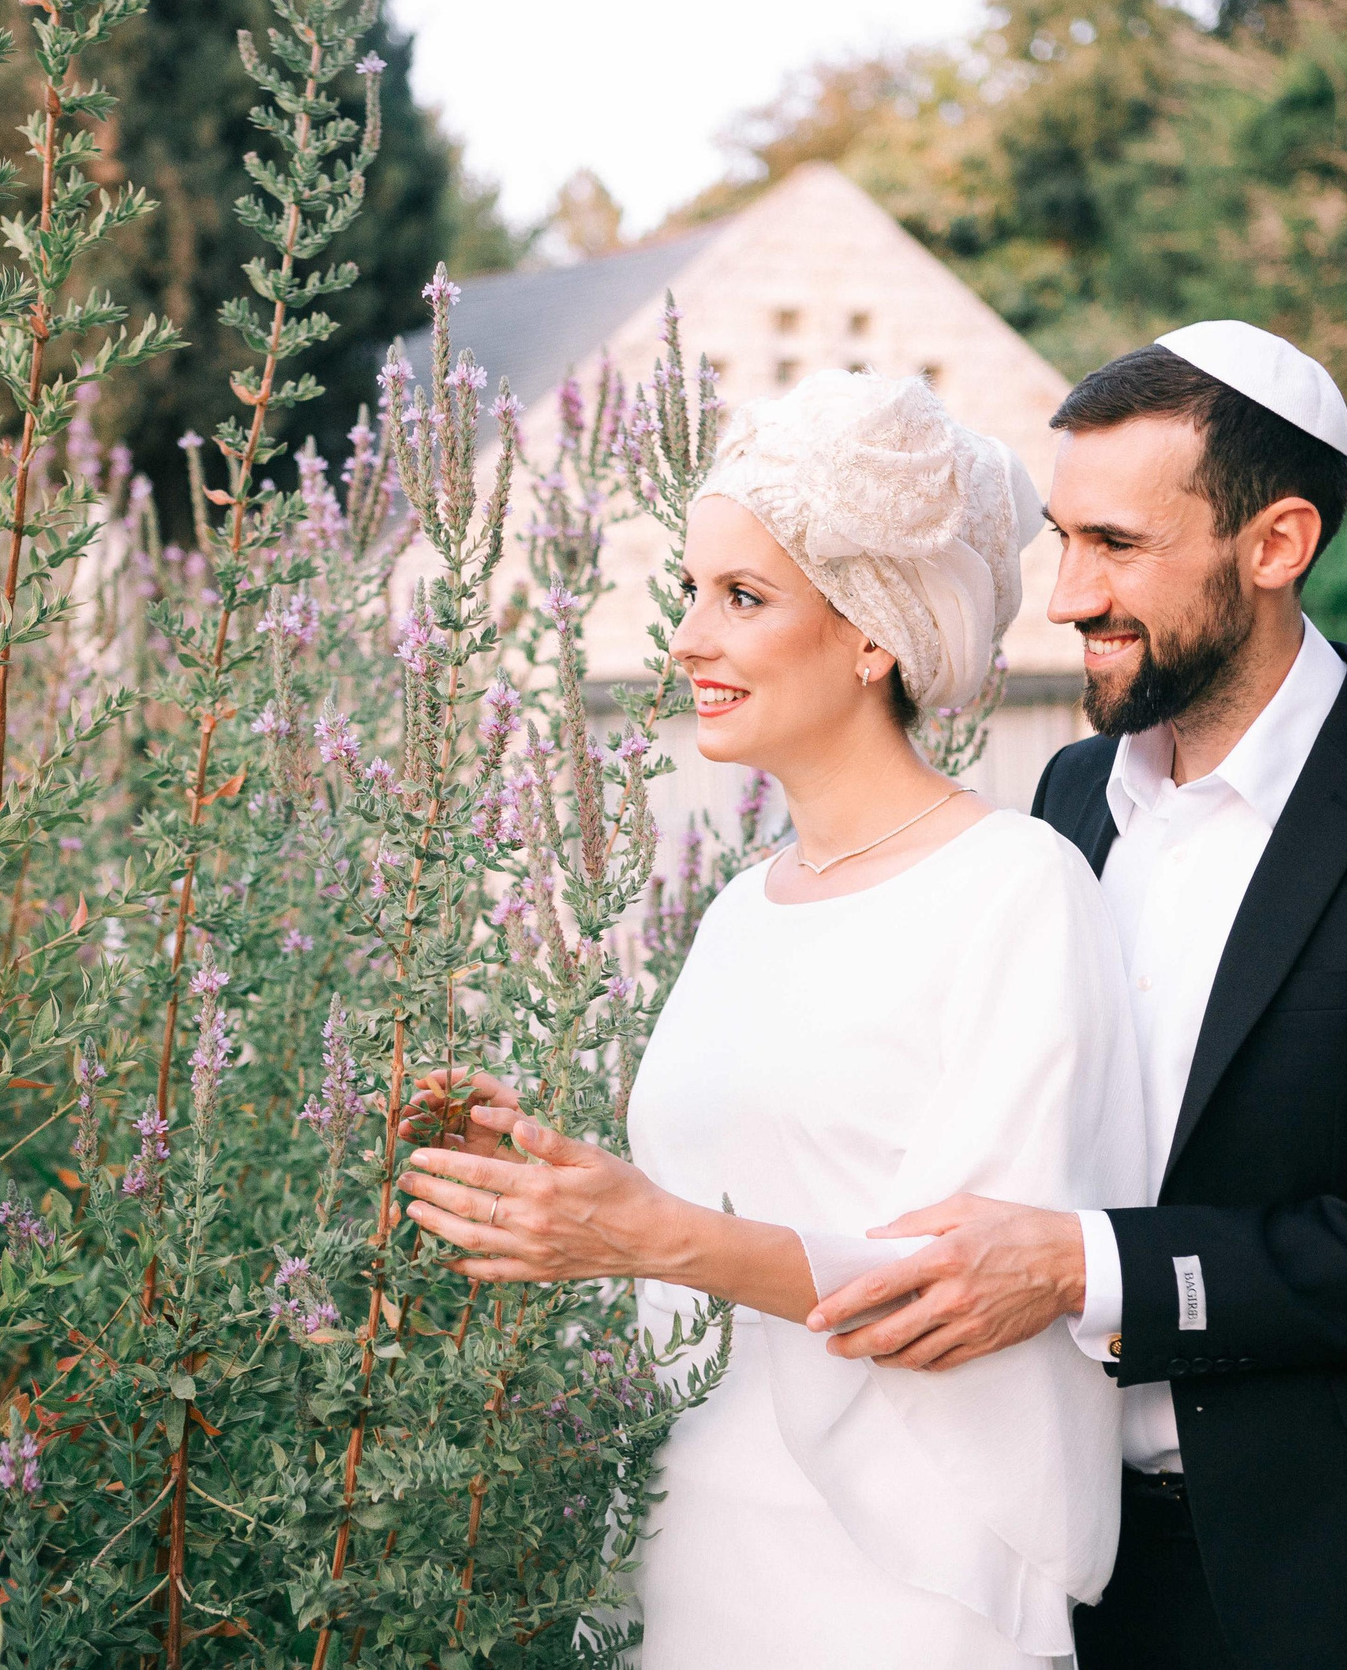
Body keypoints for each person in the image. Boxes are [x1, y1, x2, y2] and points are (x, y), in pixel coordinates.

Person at [806, 322, 1347, 1668]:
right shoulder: (1069, 800)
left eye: (1115, 546)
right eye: (1061, 539)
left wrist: (1083, 1264)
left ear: (1276, 544)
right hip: (1099, 1577)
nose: (1064, 596)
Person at [394, 370, 1147, 1668]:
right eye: (692, 592)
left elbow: (964, 1293)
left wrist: (655, 1235)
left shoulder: (1018, 892)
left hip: (896, 1594)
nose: (690, 637)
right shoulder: (744, 906)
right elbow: (720, 1198)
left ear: (875, 634)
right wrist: (560, 1185)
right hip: (692, 1553)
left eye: (744, 598)